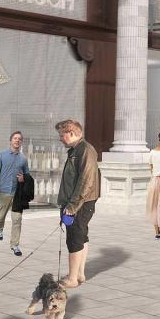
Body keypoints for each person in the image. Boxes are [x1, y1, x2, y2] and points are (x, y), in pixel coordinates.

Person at [55, 120, 100, 288]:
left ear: (72, 133)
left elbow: (86, 181)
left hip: (80, 203)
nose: (60, 138)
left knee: (74, 238)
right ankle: (79, 274)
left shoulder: (85, 150)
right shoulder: (76, 150)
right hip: (79, 202)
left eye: (62, 135)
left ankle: (72, 278)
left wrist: (72, 207)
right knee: (81, 235)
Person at [0, 131, 30, 256]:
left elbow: (27, 174)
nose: (17, 140)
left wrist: (24, 178)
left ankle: (15, 245)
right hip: (4, 191)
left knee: (17, 220)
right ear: (11, 140)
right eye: (15, 138)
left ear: (21, 142)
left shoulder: (23, 158)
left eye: (19, 139)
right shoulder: (1, 155)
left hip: (17, 193)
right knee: (1, 216)